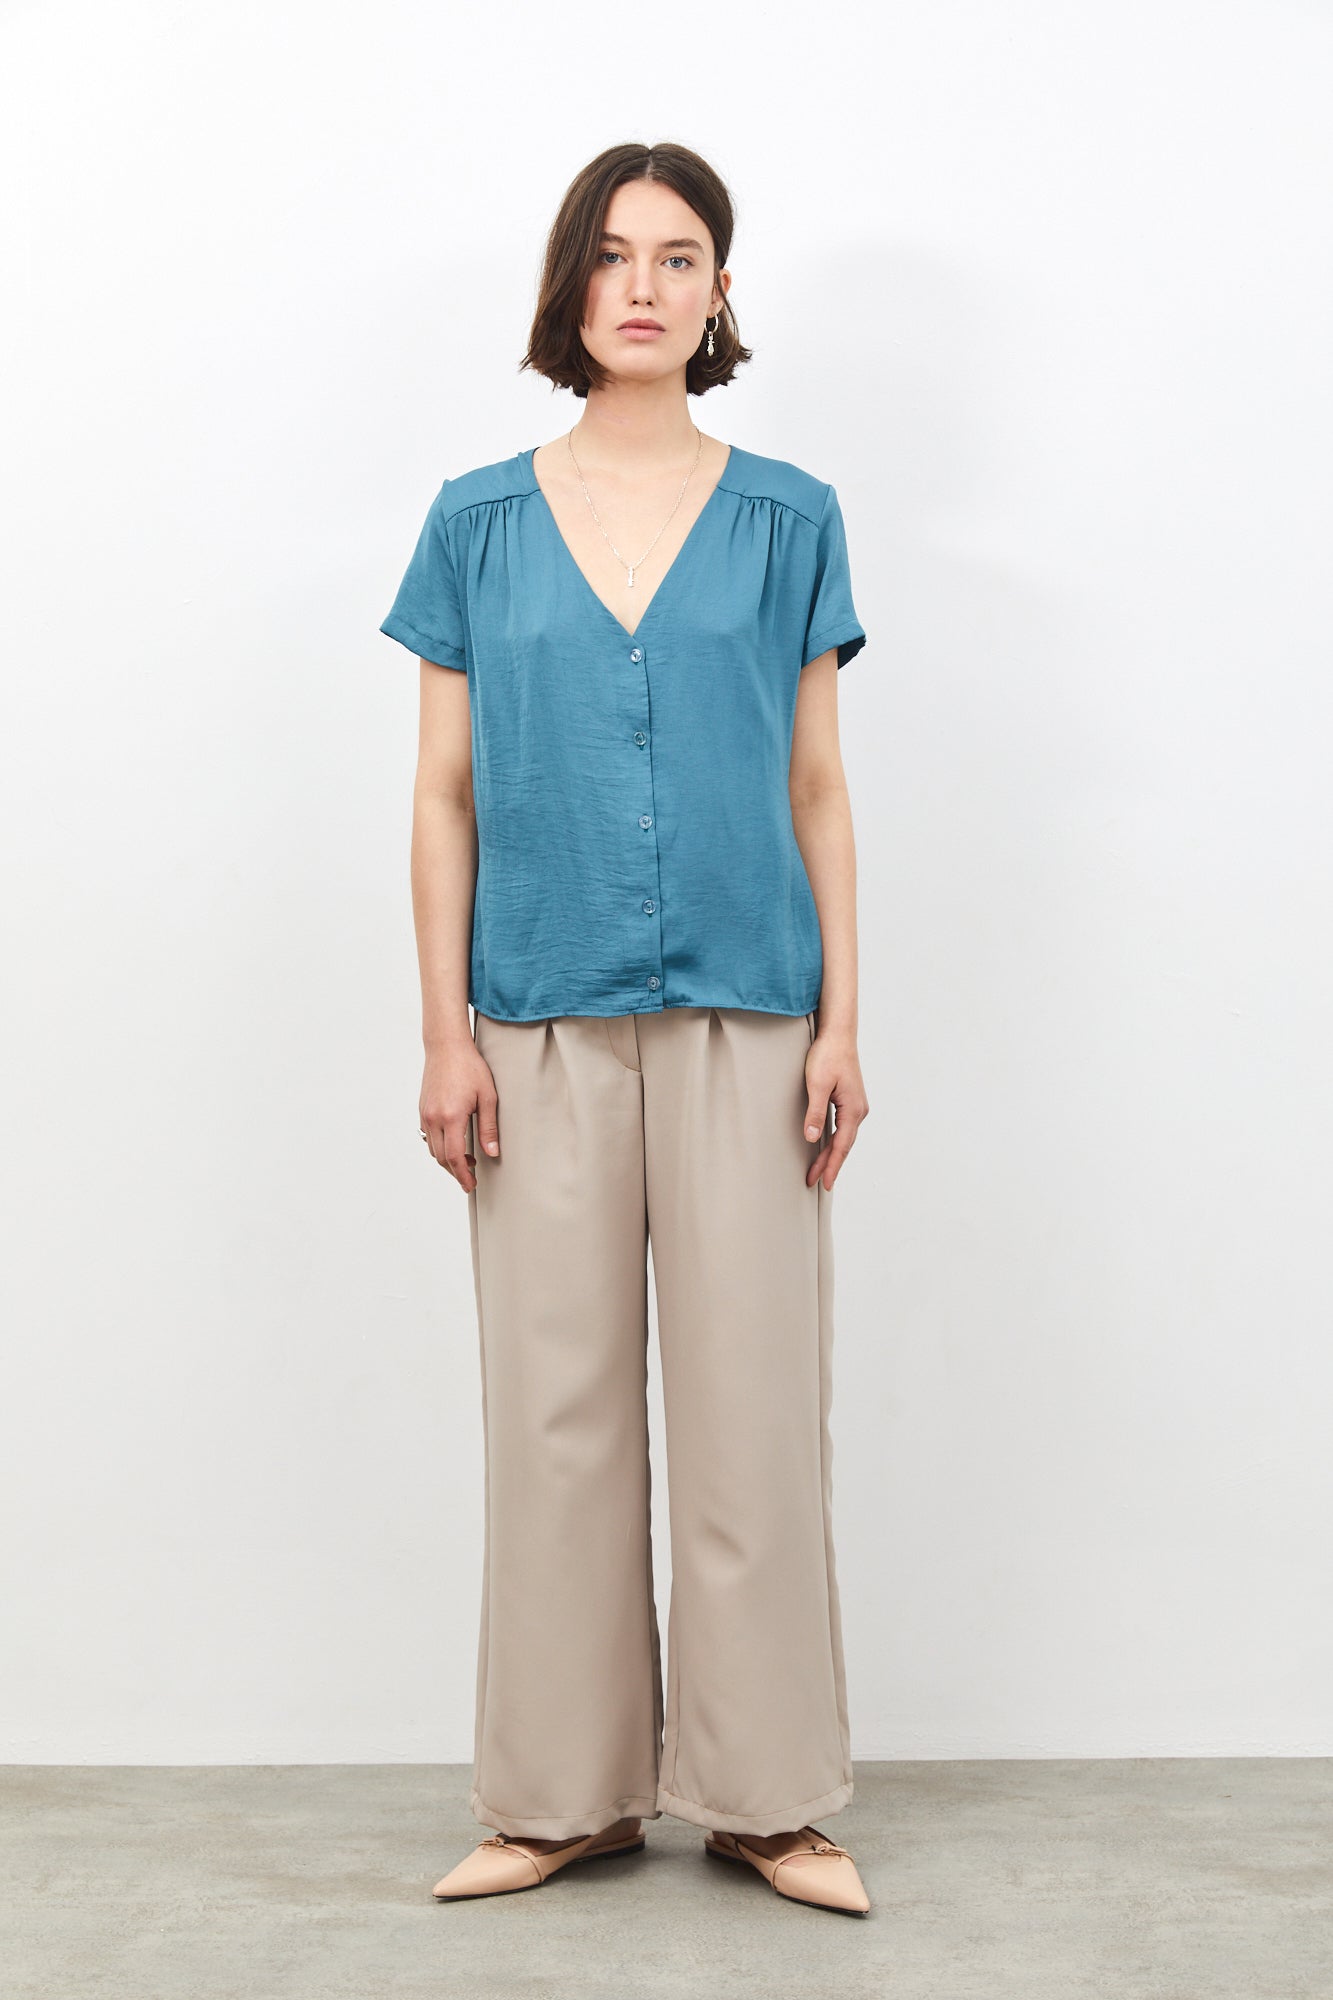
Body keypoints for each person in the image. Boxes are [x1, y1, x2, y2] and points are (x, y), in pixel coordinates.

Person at [379, 140, 872, 1918]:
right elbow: (442, 797)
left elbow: (816, 787)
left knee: (754, 1413)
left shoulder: (789, 517)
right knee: (555, 1418)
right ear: (567, 287)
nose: (642, 285)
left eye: (677, 256)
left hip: (753, 1016)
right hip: (534, 1023)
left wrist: (841, 1023)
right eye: (610, 254)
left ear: (720, 291)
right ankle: (558, 1795)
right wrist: (443, 1036)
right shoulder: (475, 522)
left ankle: (768, 1797)